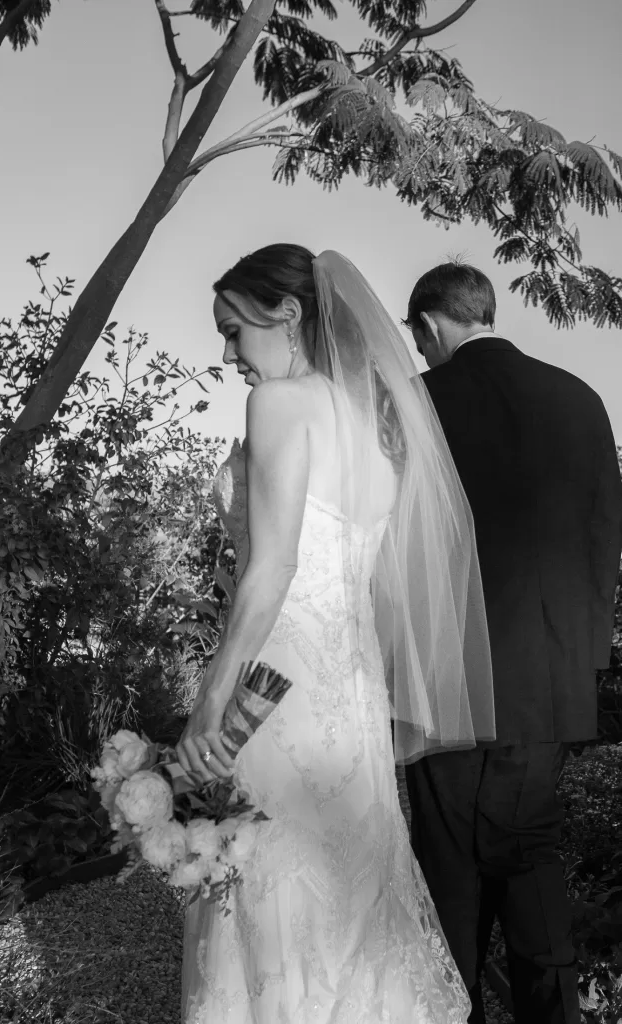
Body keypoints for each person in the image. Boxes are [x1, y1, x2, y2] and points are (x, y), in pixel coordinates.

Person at [175, 244, 496, 1023]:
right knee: (350, 895)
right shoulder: (379, 429)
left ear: (285, 314)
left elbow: (273, 567)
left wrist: (208, 704)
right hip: (350, 694)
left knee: (265, 885)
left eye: (233, 330)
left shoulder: (281, 405)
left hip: (274, 684)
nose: (226, 355)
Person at [402, 261, 622, 1024]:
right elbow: (604, 543)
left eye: (418, 339)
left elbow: (397, 547)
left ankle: (445, 1010)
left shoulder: (418, 403)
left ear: (429, 326)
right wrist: (584, 662)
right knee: (529, 860)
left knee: (451, 879)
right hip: (552, 680)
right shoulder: (581, 400)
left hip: (447, 681)